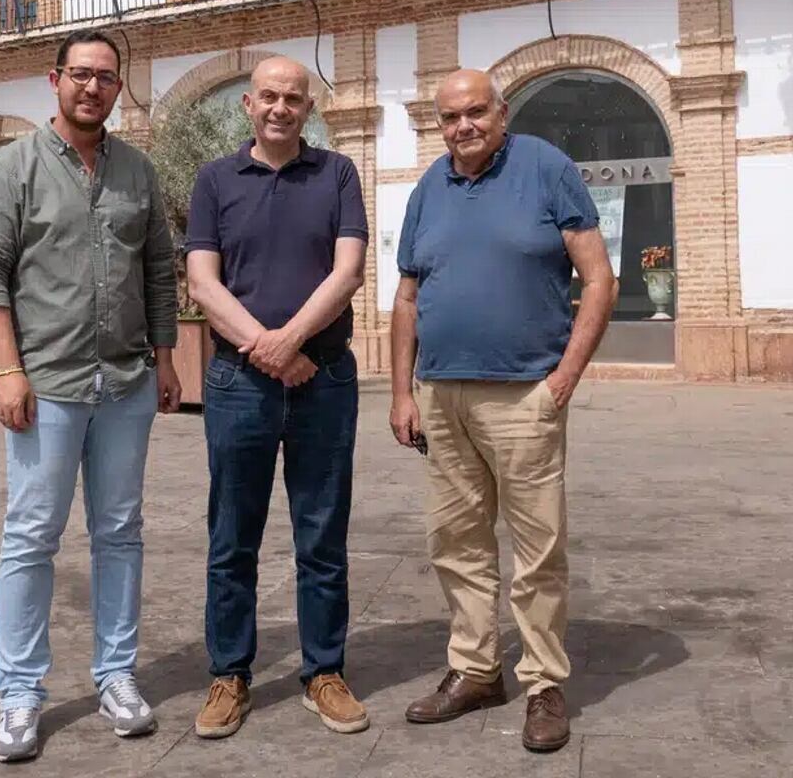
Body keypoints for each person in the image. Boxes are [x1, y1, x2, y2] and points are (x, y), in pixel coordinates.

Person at [0, 28, 182, 763]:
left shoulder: (138, 172)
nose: (94, 87)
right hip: (47, 385)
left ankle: (116, 675)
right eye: (82, 74)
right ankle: (20, 692)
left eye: (106, 77)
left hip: (125, 382)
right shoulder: (12, 168)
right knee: (31, 537)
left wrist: (164, 360)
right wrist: (6, 369)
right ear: (54, 80)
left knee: (120, 532)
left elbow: (159, 271)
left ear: (119, 88)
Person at [388, 69, 616, 754]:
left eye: (476, 112)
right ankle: (476, 670)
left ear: (502, 112)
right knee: (456, 543)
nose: (464, 126)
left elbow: (599, 277)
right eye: (450, 117)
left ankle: (543, 684)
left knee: (538, 550)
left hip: (524, 395)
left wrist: (564, 378)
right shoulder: (429, 188)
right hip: (441, 395)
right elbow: (406, 298)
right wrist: (401, 392)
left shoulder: (546, 169)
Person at [184, 58, 370, 739]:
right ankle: (229, 675)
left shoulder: (338, 174)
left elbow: (349, 272)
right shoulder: (214, 180)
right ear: (248, 103)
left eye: (293, 98)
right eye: (269, 96)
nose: (280, 108)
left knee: (322, 534)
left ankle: (324, 672)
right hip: (239, 384)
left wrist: (288, 342)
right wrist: (268, 349)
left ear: (308, 107)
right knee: (232, 536)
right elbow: (202, 283)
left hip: (324, 379)